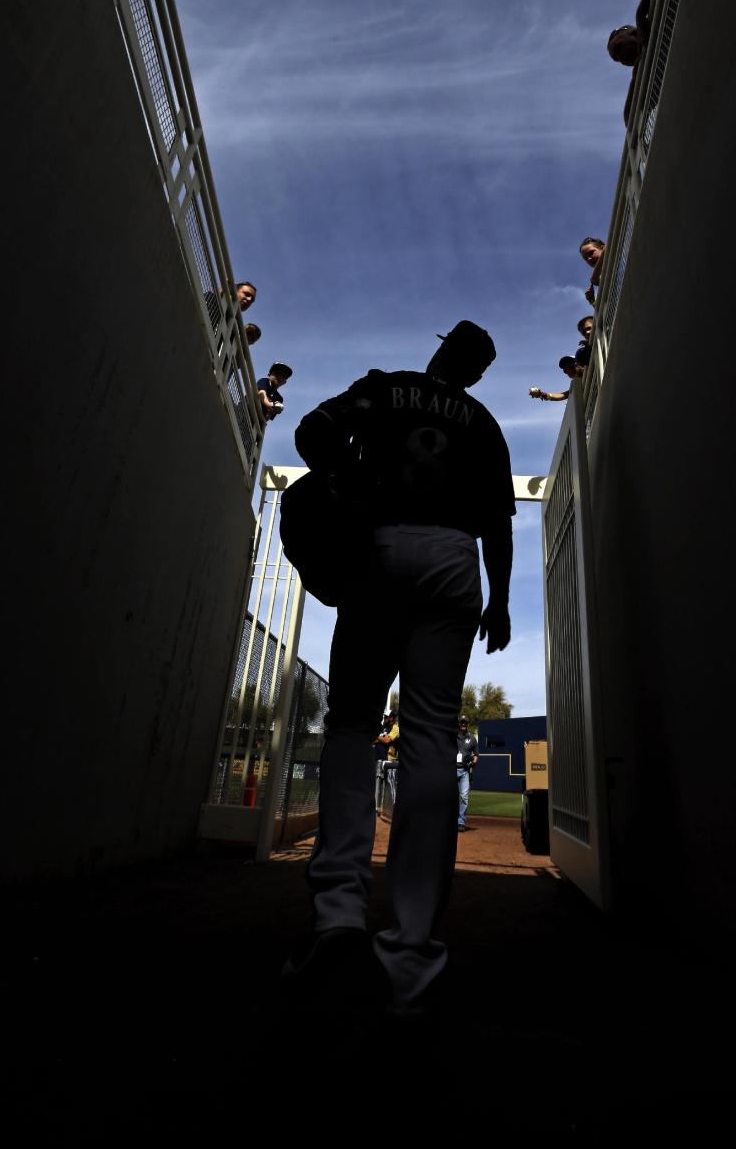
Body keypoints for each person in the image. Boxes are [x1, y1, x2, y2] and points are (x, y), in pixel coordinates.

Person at [285, 320, 514, 1014]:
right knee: (430, 738)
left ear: (442, 352)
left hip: (377, 548)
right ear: (474, 373)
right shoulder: (482, 418)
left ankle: (339, 917)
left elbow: (311, 431)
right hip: (453, 559)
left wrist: (342, 481)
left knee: (354, 725)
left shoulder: (387, 388)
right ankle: (411, 951)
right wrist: (500, 602)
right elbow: (499, 524)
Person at [607, 0, 655, 126]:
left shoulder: (654, 15)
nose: (620, 57)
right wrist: (635, 80)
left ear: (631, 32)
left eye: (618, 47)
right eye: (617, 59)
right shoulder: (643, 71)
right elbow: (629, 121)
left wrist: (640, 14)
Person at [456, 716, 479, 831]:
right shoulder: (453, 736)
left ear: (468, 724)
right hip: (452, 770)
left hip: (465, 771)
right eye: (462, 722)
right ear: (459, 724)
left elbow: (476, 754)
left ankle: (461, 822)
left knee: (464, 797)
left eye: (465, 722)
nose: (463, 724)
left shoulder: (472, 738)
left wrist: (473, 763)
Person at [374, 711, 396, 813]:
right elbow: (373, 740)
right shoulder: (383, 728)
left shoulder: (395, 728)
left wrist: (378, 738)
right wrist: (381, 738)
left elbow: (387, 741)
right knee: (376, 783)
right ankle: (376, 807)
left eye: (386, 717)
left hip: (388, 760)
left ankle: (389, 810)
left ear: (391, 718)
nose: (384, 718)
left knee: (388, 786)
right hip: (376, 758)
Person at [579, 238, 605, 306]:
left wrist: (595, 276)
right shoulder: (602, 277)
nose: (589, 259)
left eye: (591, 253)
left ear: (602, 248)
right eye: (586, 258)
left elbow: (609, 246)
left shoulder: (616, 252)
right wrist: (592, 300)